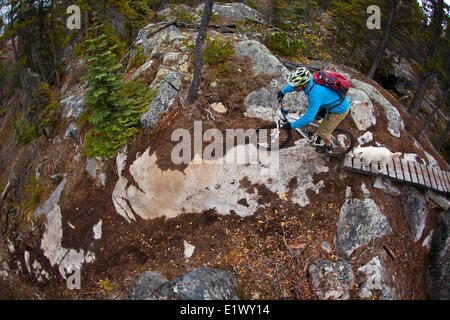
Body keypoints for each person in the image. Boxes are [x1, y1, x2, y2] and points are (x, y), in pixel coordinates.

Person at [277, 67, 350, 153]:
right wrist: (283, 91)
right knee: (315, 116)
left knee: (322, 132)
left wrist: (292, 125)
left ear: (304, 84)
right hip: (329, 102)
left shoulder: (315, 95)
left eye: (295, 85)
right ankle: (312, 131)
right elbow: (296, 85)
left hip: (339, 109)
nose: (293, 87)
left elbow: (308, 118)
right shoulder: (310, 79)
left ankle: (328, 146)